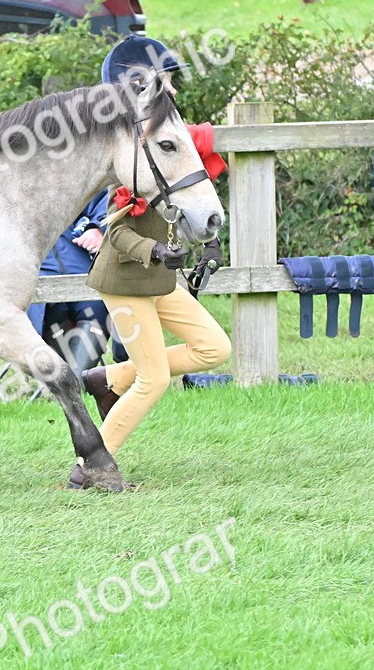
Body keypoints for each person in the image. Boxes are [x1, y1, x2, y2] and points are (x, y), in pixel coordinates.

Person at [71, 35, 230, 488]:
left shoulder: (168, 140)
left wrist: (210, 245)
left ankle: (107, 379)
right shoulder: (130, 161)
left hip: (159, 281)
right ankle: (91, 466)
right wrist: (154, 250)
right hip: (123, 281)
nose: (172, 90)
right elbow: (115, 234)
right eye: (165, 82)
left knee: (214, 349)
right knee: (154, 379)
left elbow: (189, 197)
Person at [27, 189, 125, 377]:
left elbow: (100, 200)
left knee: (97, 310)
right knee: (47, 315)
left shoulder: (63, 173)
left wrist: (99, 229)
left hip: (83, 272)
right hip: (37, 284)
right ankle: (71, 385)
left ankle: (75, 387)